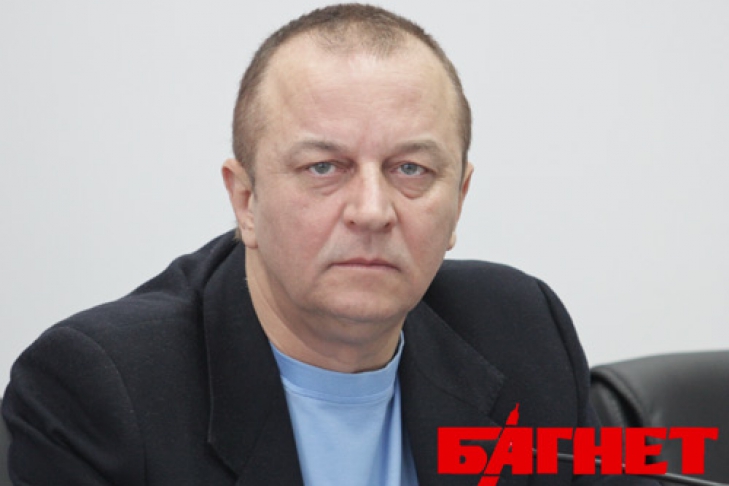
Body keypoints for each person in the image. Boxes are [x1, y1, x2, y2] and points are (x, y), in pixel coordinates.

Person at [2, 4, 653, 485]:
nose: (372, 211)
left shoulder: (524, 330)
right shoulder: (95, 390)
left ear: (459, 199)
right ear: (246, 200)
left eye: (410, 169)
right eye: (323, 167)